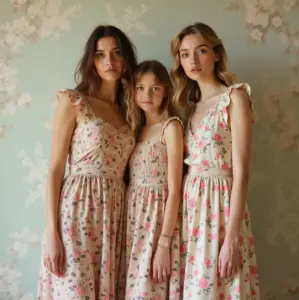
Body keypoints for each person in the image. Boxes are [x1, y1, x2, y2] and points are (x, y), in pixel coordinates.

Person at [37, 25, 137, 299]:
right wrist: (52, 234)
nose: (110, 62)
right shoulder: (74, 101)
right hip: (76, 212)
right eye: (101, 54)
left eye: (117, 53)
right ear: (91, 61)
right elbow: (56, 169)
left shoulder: (131, 110)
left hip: (115, 216)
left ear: (126, 58)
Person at [170, 22, 260, 299]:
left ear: (216, 54)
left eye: (201, 51)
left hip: (221, 209)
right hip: (190, 210)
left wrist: (232, 237)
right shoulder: (189, 107)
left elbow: (242, 172)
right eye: (185, 54)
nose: (193, 61)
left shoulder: (235, 97)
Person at [124, 60, 183, 299]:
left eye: (155, 88)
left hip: (158, 223)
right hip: (134, 220)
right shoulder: (134, 130)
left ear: (165, 91)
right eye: (140, 88)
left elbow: (175, 189)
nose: (147, 94)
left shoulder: (171, 127)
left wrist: (163, 244)